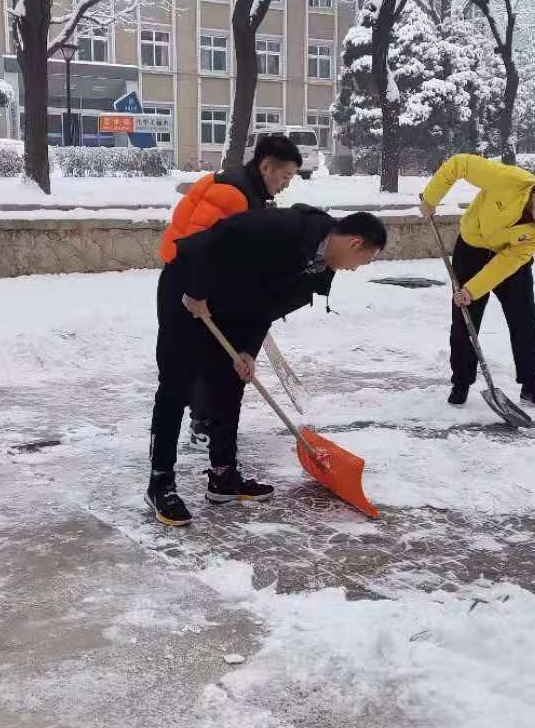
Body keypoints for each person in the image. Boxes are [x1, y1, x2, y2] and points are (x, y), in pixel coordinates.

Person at [147, 206, 387, 526]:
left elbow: (269, 306)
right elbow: (211, 242)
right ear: (355, 243)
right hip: (188, 289)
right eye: (362, 261)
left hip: (232, 307)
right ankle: (160, 483)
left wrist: (248, 350)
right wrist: (196, 291)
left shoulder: (319, 270)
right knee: (177, 384)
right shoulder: (285, 228)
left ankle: (223, 476)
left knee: (230, 383)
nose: (355, 269)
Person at [159, 133, 303, 448]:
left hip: (201, 281)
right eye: (285, 176)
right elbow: (195, 246)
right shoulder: (233, 194)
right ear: (266, 167)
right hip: (187, 284)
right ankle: (201, 426)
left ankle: (205, 421)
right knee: (198, 357)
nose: (286, 184)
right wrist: (198, 293)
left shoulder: (247, 190)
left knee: (209, 355)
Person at [419, 153, 535, 409]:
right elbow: (459, 164)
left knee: (524, 319)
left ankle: (531, 386)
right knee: (465, 319)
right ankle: (461, 383)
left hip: (508, 259)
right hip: (472, 248)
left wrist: (472, 289)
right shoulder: (508, 180)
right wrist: (430, 198)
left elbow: (508, 261)